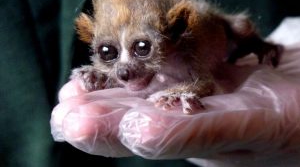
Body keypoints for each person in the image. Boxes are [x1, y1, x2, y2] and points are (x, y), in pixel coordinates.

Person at [51, 18, 300, 167]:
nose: (125, 69)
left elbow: (203, 82)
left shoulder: (184, 43)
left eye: (140, 48)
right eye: (108, 52)